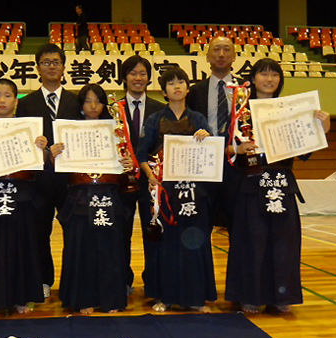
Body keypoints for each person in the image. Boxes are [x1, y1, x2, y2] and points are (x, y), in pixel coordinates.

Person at [225, 58, 331, 314]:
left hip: (281, 184)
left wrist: (322, 129)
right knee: (251, 241)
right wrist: (236, 149)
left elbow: (304, 153)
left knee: (283, 243)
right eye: (264, 74)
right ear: (254, 79)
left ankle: (281, 296)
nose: (269, 79)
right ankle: (249, 295)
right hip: (250, 183)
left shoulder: (291, 109)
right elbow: (223, 147)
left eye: (274, 75)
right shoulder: (240, 110)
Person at [136, 67, 216, 313]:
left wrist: (207, 137)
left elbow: (211, 153)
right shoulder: (154, 119)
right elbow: (141, 154)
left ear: (188, 88)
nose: (177, 86)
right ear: (163, 91)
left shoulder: (199, 119)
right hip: (165, 191)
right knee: (166, 244)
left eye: (181, 81)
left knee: (195, 241)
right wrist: (151, 178)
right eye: (171, 83)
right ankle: (164, 296)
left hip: (194, 192)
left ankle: (196, 297)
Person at [0, 79, 47, 315]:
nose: (3, 100)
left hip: (20, 194)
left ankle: (21, 297)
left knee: (20, 246)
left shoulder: (28, 129)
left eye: (8, 95)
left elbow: (39, 166)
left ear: (16, 100)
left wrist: (41, 148)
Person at [51, 84, 130, 314]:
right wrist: (55, 155)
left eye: (98, 100)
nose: (93, 106)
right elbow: (59, 170)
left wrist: (127, 163)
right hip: (80, 197)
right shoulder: (68, 132)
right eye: (88, 101)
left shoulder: (117, 131)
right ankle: (82, 299)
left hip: (109, 195)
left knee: (109, 249)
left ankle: (111, 299)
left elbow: (128, 164)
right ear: (81, 105)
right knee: (82, 249)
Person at [15, 43, 80, 298]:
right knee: (39, 232)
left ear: (64, 67)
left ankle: (73, 281)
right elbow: (21, 141)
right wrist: (42, 151)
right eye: (46, 62)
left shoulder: (77, 101)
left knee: (74, 231)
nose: (51, 66)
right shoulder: (27, 103)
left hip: (70, 179)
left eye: (56, 62)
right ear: (37, 68)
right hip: (39, 180)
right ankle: (43, 279)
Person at [119, 55, 166, 292]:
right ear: (124, 77)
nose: (138, 78)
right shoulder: (114, 109)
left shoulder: (161, 109)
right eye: (133, 73)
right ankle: (123, 281)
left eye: (143, 74)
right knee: (121, 232)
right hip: (122, 181)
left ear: (149, 78)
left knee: (153, 230)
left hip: (151, 181)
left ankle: (155, 282)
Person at [187, 36, 243, 230]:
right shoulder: (194, 92)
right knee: (201, 223)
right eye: (216, 50)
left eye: (226, 50)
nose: (221, 54)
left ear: (234, 56)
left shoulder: (245, 90)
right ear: (207, 57)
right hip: (203, 165)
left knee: (237, 224)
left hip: (236, 166)